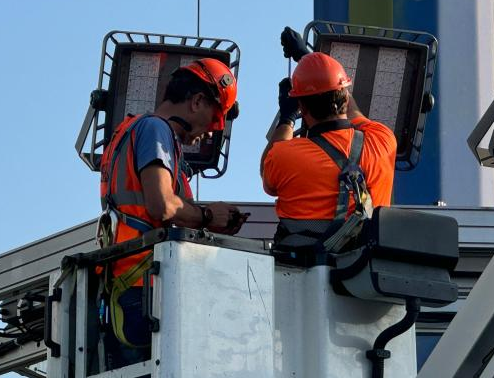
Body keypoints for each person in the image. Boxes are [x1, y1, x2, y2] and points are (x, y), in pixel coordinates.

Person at [97, 57, 244, 369]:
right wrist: (207, 217)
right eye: (215, 118)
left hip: (132, 287)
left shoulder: (135, 132)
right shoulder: (155, 129)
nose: (211, 131)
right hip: (145, 290)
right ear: (197, 102)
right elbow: (161, 205)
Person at [260, 50, 397, 258]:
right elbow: (355, 114)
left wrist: (287, 118)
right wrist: (311, 60)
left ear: (302, 108)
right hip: (362, 276)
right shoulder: (382, 140)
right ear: (344, 94)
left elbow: (266, 175)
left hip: (304, 276)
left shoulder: (284, 156)